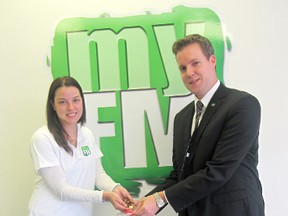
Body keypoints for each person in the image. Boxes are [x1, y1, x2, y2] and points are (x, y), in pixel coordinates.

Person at [133, 34, 265, 216]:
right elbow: (180, 175)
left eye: (195, 63)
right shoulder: (182, 118)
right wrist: (142, 203)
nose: (189, 73)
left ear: (212, 61)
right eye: (182, 68)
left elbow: (218, 171)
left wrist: (160, 199)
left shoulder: (242, 105)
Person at [28, 76, 134, 216]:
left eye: (76, 100)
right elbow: (61, 190)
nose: (71, 107)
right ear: (53, 105)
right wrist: (105, 196)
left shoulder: (86, 134)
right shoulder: (42, 138)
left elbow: (98, 174)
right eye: (62, 102)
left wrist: (114, 188)